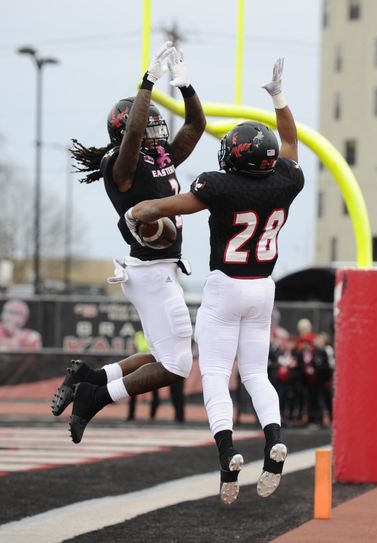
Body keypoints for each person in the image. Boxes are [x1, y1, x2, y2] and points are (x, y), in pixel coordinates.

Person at [130, 58, 304, 504]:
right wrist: (279, 97)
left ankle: (227, 453)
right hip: (264, 287)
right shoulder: (286, 178)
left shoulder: (220, 185)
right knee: (255, 375)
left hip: (226, 286)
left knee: (212, 373)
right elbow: (290, 140)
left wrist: (136, 212)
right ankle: (274, 442)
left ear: (238, 157)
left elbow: (170, 208)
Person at [51, 42, 206, 444]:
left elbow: (195, 127)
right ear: (127, 133)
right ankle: (95, 398)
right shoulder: (121, 165)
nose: (157, 132)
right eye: (149, 126)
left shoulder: (159, 157)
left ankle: (88, 377)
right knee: (176, 367)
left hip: (155, 270)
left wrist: (186, 87)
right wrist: (148, 83)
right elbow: (134, 133)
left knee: (160, 358)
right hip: (152, 272)